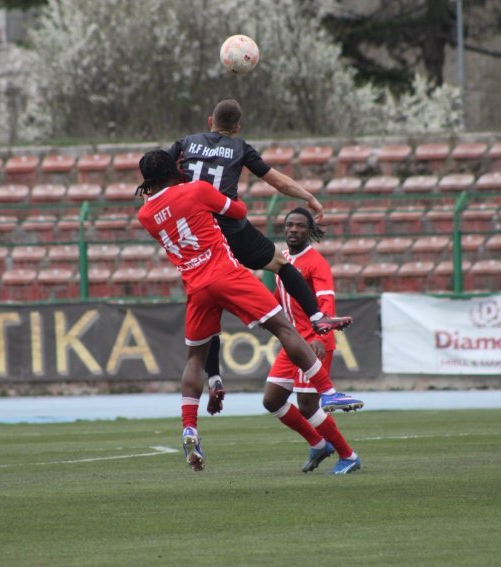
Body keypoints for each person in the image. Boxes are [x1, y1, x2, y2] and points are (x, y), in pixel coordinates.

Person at [135, 150, 362, 472]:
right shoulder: (196, 189)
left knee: (194, 359)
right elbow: (237, 210)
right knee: (284, 329)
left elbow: (167, 212)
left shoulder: (145, 215)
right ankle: (328, 392)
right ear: (174, 169)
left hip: (196, 287)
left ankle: (189, 427)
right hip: (226, 273)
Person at [167, 99, 354, 414]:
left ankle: (213, 378)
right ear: (237, 126)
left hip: (198, 235)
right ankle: (317, 317)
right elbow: (276, 180)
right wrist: (309, 197)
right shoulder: (239, 147)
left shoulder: (186, 144)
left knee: (208, 308)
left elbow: (158, 171)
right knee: (281, 265)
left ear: (209, 119)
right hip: (230, 227)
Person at [263, 207, 362, 474]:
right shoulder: (282, 259)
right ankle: (318, 444)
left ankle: (348, 455)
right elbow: (280, 295)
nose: (293, 230)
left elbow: (326, 301)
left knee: (307, 404)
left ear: (310, 232)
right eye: (289, 225)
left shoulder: (316, 262)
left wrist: (323, 335)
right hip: (293, 342)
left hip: (314, 342)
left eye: (300, 226)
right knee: (272, 400)